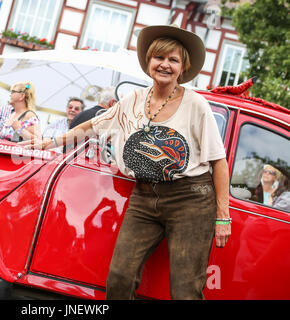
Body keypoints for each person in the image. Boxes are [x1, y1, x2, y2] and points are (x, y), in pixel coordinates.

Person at [21, 24, 230, 300]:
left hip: (190, 199)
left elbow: (219, 162)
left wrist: (222, 216)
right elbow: (94, 125)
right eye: (159, 58)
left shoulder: (196, 105)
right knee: (119, 277)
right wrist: (51, 141)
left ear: (183, 67)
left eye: (173, 60)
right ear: (148, 61)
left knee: (185, 289)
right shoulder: (132, 100)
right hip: (144, 197)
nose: (164, 65)